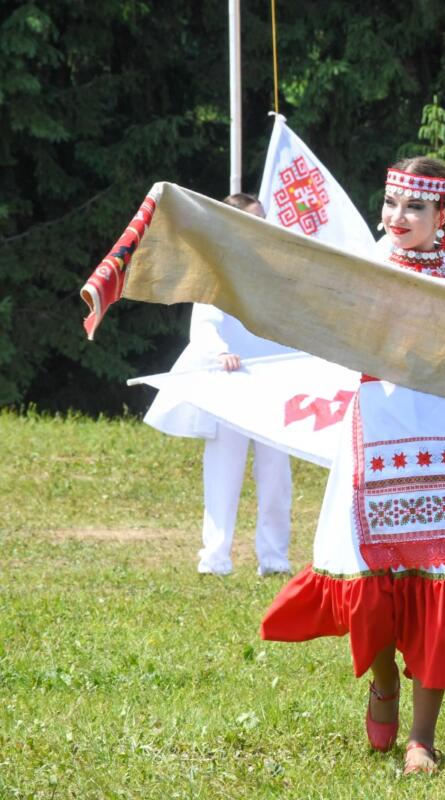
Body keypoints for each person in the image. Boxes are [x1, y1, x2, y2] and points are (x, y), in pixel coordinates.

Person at [259, 157, 445, 775]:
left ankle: (422, 740)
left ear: (443, 215)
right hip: (374, 439)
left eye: (415, 207)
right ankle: (384, 681)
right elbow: (292, 289)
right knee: (371, 579)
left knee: (441, 582)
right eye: (391, 203)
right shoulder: (361, 271)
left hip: (444, 443)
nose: (397, 217)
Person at [143, 193, 293, 576]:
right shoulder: (216, 269)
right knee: (223, 476)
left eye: (263, 218)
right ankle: (215, 558)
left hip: (273, 383)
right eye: (252, 219)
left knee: (276, 477)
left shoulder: (276, 271)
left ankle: (274, 558)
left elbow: (290, 324)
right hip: (231, 382)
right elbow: (205, 324)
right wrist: (220, 353)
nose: (261, 225)